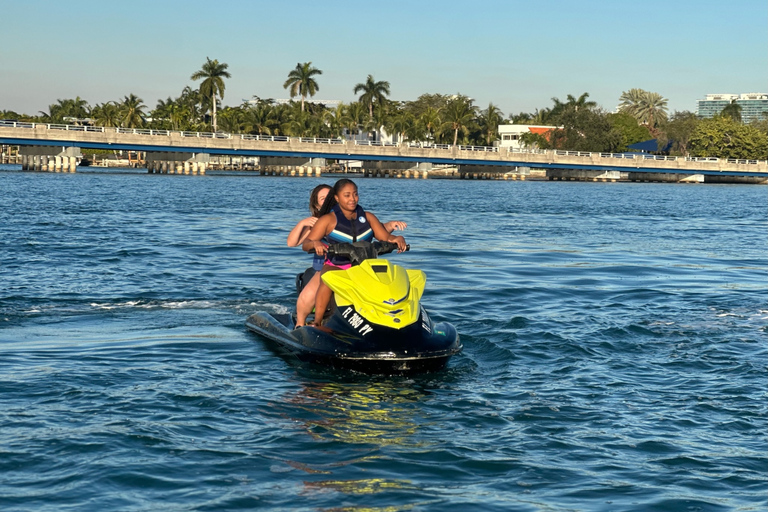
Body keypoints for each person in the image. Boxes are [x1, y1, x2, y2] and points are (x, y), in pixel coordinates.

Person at [289, 183, 408, 328]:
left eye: (355, 194)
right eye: (347, 195)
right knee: (327, 280)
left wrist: (396, 239)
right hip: (336, 265)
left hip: (364, 267)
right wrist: (315, 244)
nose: (352, 199)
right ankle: (316, 322)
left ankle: (394, 316)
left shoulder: (368, 217)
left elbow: (385, 236)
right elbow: (305, 243)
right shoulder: (326, 220)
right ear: (337, 198)